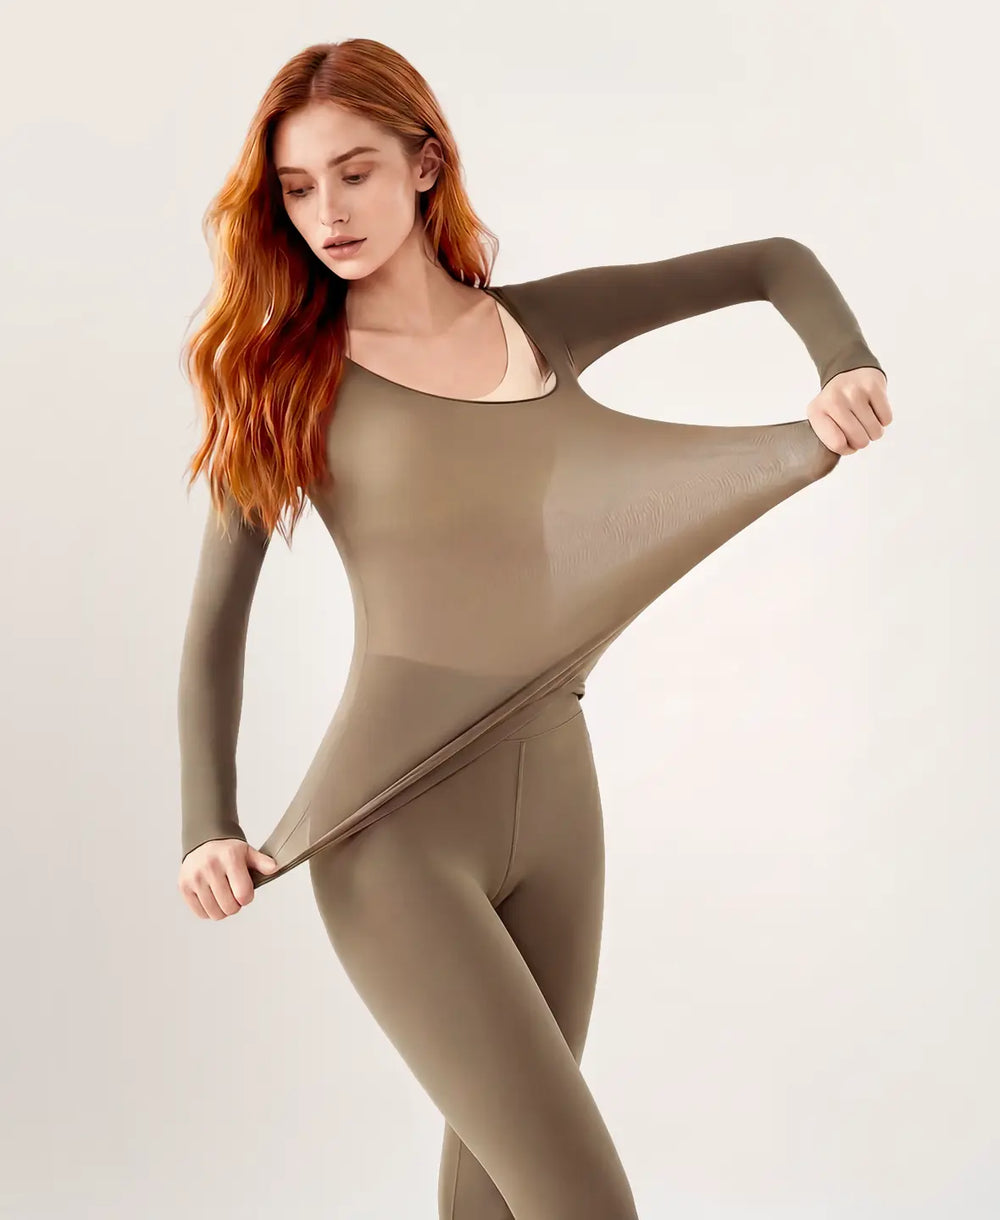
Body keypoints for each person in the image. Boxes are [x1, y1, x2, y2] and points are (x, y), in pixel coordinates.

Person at [175, 38, 891, 1220]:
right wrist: (207, 821)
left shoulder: (540, 324)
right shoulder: (287, 380)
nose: (327, 212)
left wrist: (844, 363)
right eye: (297, 188)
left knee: (499, 1200)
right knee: (583, 1200)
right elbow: (215, 622)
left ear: (424, 164)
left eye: (354, 172)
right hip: (391, 833)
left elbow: (772, 261)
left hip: (558, 797)